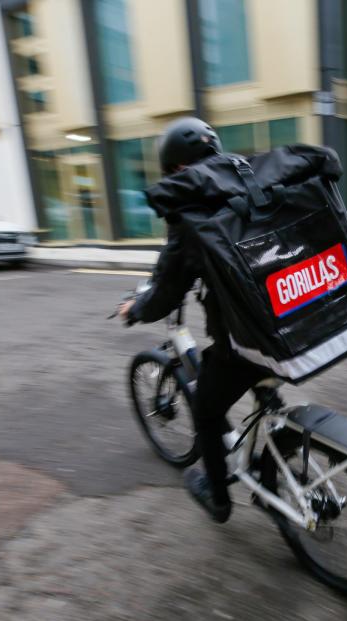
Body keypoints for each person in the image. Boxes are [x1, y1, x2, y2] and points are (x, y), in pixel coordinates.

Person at [117, 117, 272, 523]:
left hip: (251, 338)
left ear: (174, 168)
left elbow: (168, 287)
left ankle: (218, 498)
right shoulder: (250, 178)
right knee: (260, 380)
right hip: (300, 320)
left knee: (205, 407)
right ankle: (272, 452)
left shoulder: (191, 207)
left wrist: (136, 309)